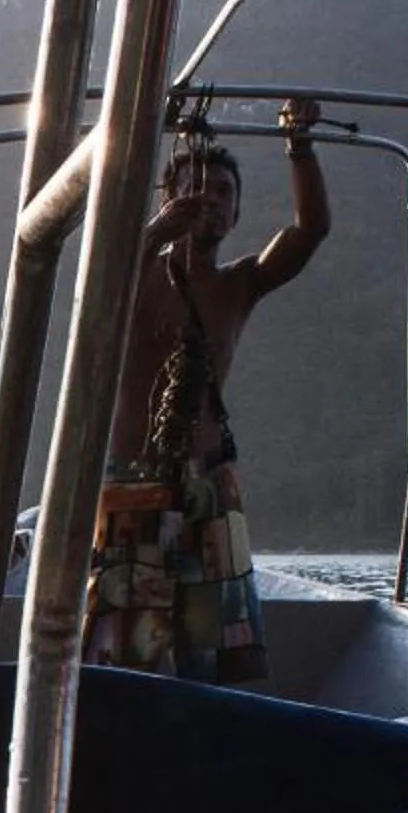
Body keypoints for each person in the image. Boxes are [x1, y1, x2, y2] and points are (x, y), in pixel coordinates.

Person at [83, 98, 330, 687]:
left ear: (237, 210)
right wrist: (158, 229)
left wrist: (298, 143)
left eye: (223, 192)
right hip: (133, 480)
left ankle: (206, 742)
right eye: (195, 188)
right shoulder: (133, 273)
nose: (210, 200)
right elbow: (101, 272)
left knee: (217, 650)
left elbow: (309, 230)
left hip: (210, 482)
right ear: (169, 198)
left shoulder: (238, 284)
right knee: (121, 647)